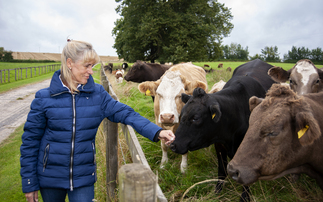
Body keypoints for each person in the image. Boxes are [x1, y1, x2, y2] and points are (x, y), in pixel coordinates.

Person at [20, 40, 175, 202]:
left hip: (83, 176)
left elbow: (126, 113)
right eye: (87, 66)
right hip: (50, 176)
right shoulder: (44, 98)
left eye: (92, 66)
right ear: (69, 63)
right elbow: (30, 142)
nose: (90, 72)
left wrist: (157, 131)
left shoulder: (97, 95)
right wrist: (29, 182)